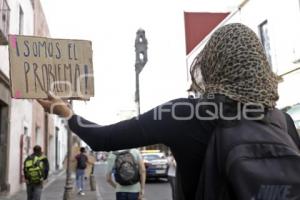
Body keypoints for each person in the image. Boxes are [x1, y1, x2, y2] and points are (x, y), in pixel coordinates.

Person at [38, 23, 300, 200]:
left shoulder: (184, 114)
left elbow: (102, 138)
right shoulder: (283, 121)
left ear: (212, 64)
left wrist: (66, 112)